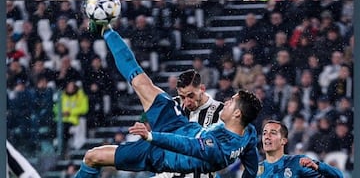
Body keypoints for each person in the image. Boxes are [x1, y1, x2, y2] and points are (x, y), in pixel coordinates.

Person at [74, 20, 263, 178]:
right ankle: (106, 29)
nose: (227, 102)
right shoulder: (248, 133)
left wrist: (151, 136)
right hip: (179, 126)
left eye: (231, 102)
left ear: (237, 113)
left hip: (162, 152)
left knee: (93, 156)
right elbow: (252, 167)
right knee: (141, 82)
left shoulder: (216, 148)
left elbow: (185, 145)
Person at [155, 68, 224, 178]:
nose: (186, 102)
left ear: (202, 88)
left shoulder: (221, 112)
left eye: (191, 96)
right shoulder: (173, 106)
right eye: (182, 97)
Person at [258, 120, 343, 177]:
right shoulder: (256, 170)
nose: (267, 137)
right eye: (264, 133)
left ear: (283, 141)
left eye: (273, 133)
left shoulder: (297, 162)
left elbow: (339, 176)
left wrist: (318, 167)